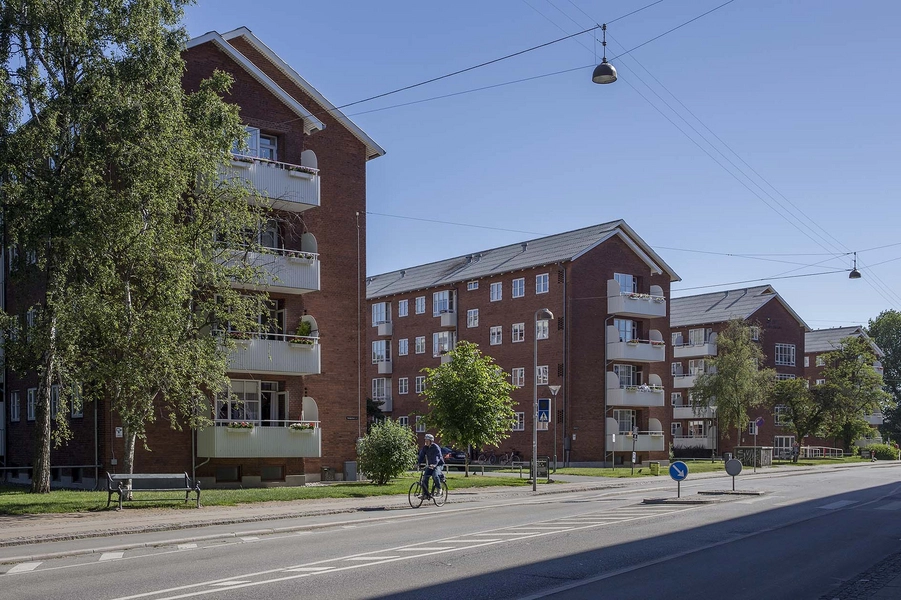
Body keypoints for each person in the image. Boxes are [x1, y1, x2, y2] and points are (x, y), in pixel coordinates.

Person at [417, 433, 444, 499]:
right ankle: (425, 494)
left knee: (435, 475)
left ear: (431, 441)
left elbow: (437, 457)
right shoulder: (425, 447)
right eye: (425, 440)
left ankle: (439, 489)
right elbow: (421, 456)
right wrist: (418, 463)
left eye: (427, 441)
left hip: (438, 464)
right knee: (425, 477)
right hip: (430, 465)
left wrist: (434, 464)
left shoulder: (435, 447)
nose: (426, 442)